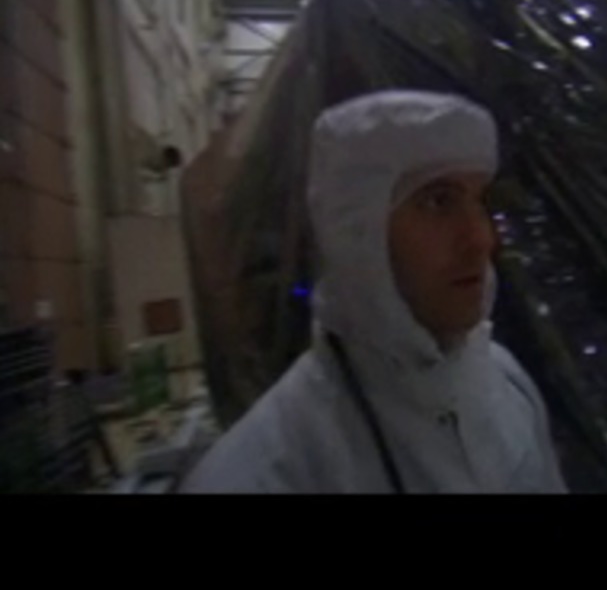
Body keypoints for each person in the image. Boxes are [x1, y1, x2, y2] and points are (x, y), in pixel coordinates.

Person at [181, 90, 567, 493]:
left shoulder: (508, 385)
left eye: (480, 200)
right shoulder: (263, 475)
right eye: (439, 201)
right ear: (356, 236)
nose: (481, 238)